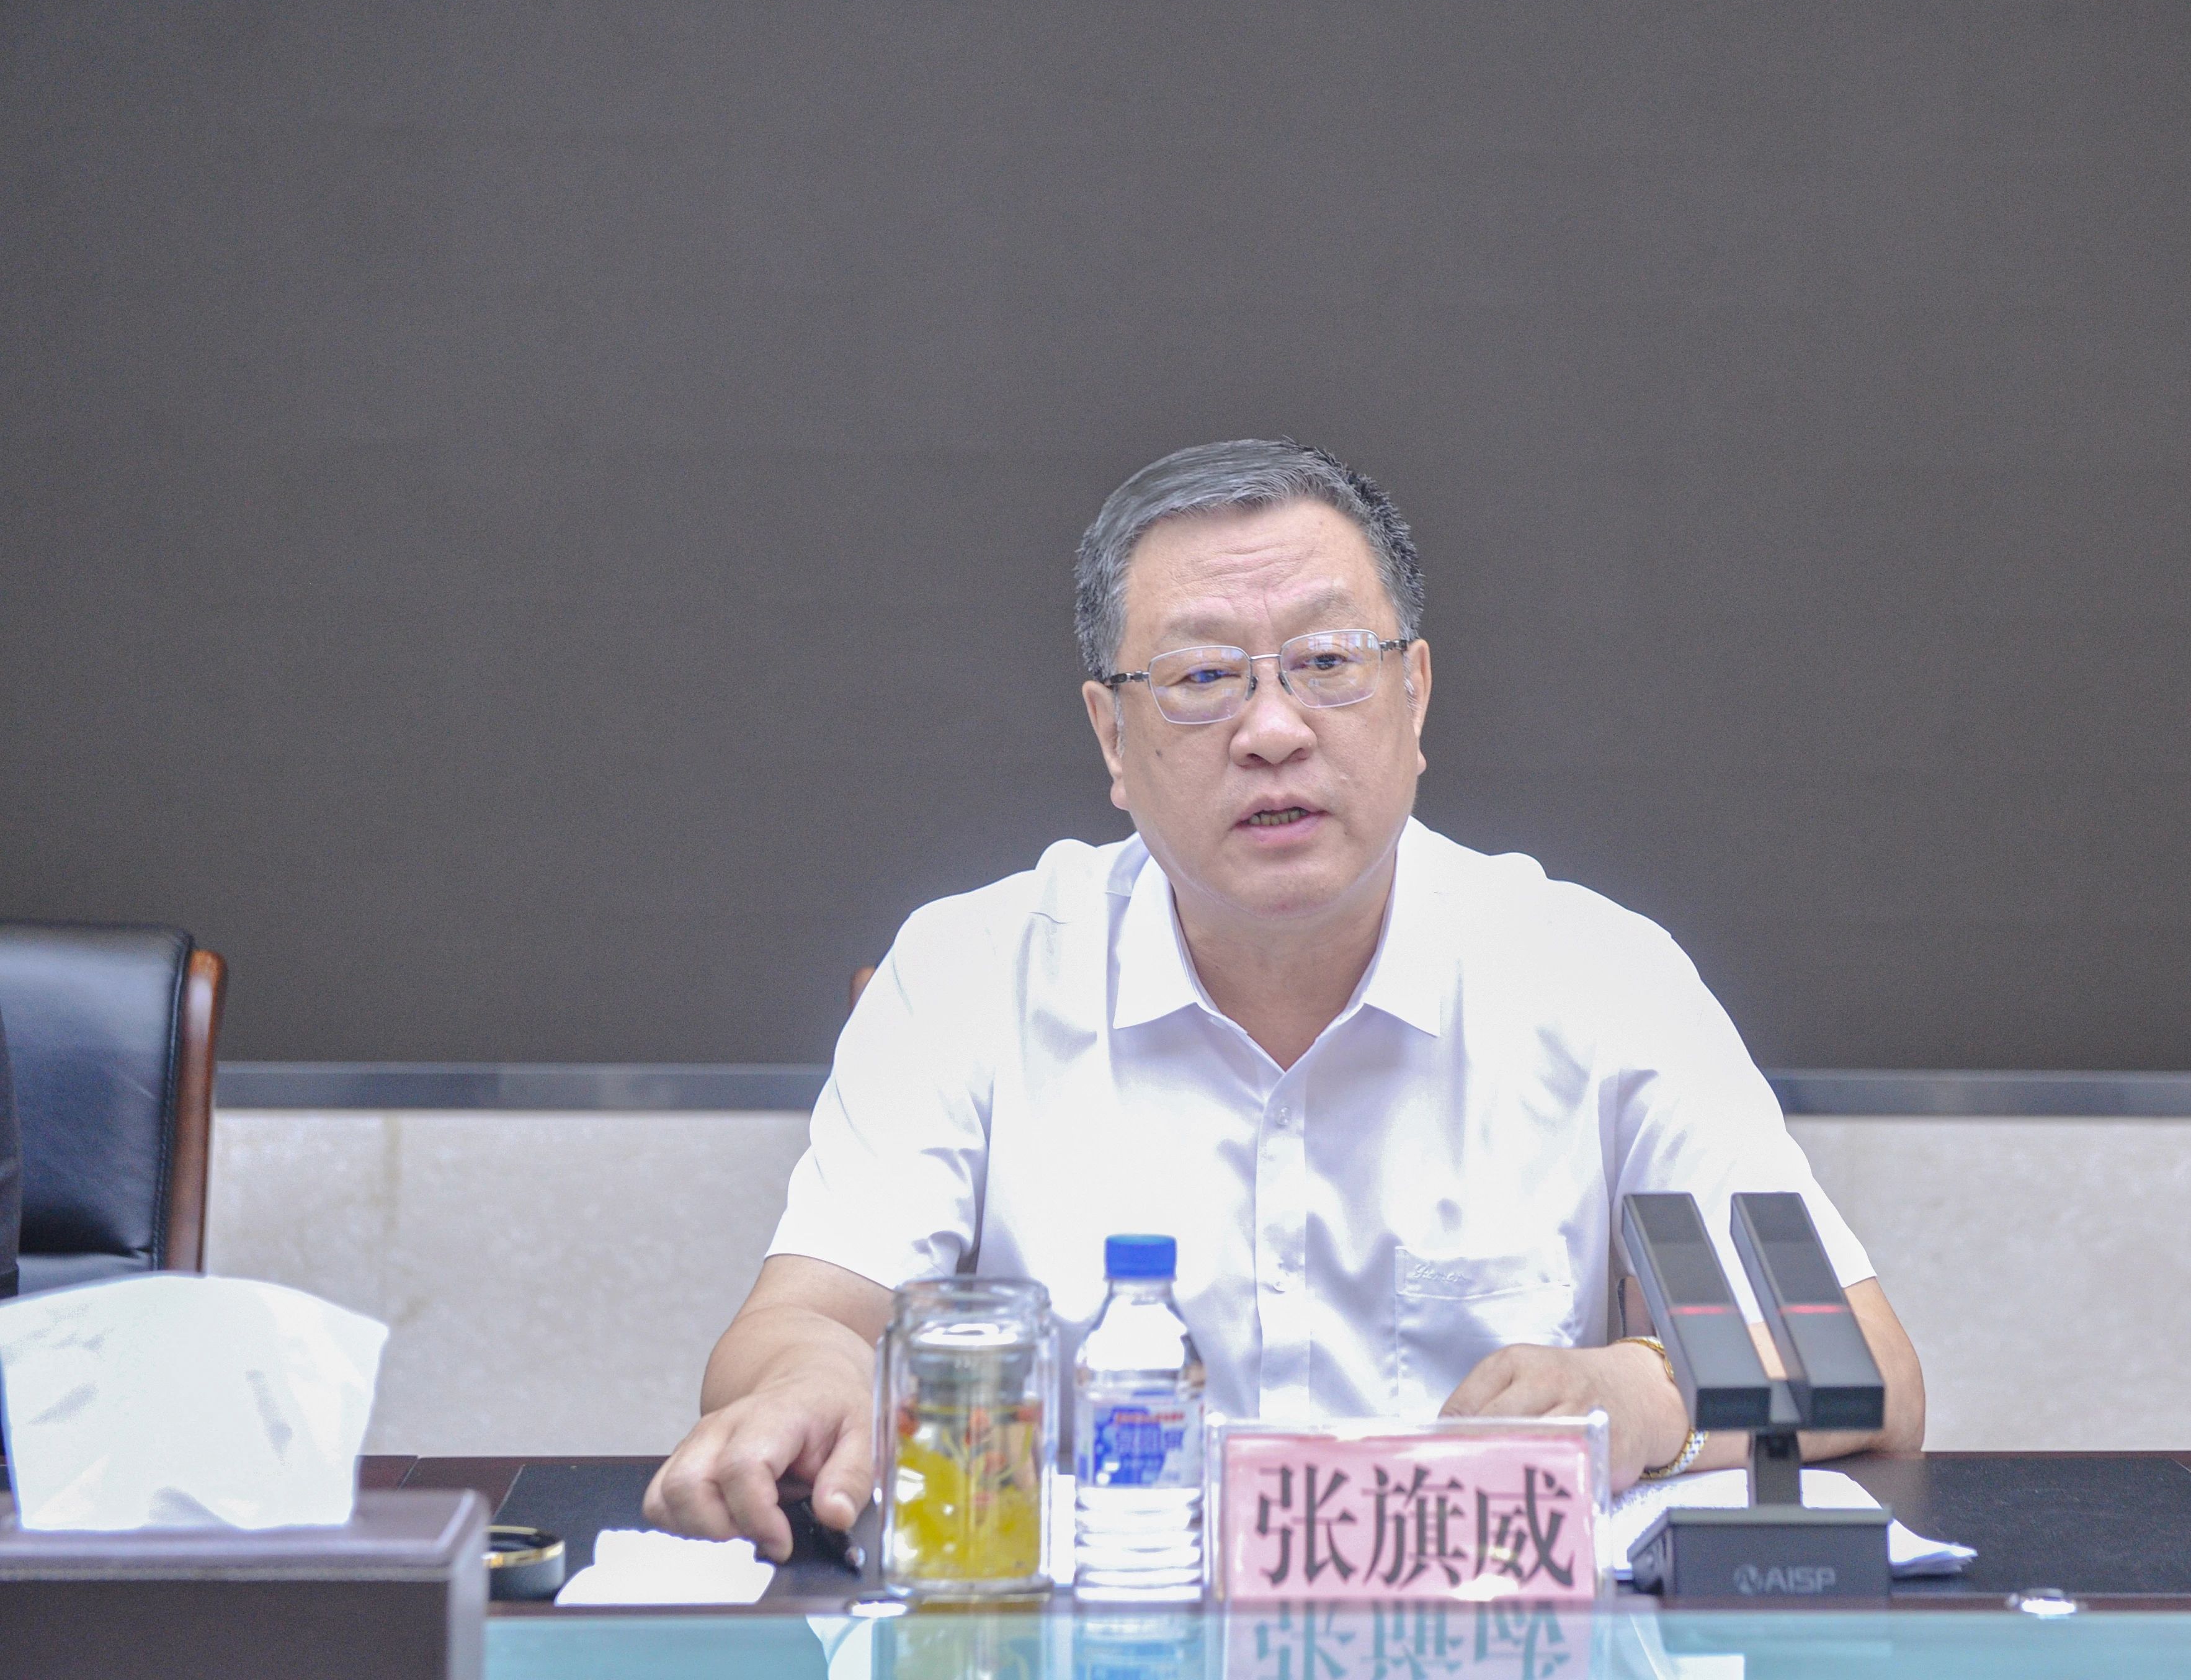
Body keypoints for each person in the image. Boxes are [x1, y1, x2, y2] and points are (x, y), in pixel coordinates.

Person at [646, 440, 1924, 1556]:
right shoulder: (968, 972)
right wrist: (812, 1383)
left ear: (1415, 696)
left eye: (1327, 661)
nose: (1272, 730)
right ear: (1111, 738)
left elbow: (1865, 1368)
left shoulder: (1599, 974)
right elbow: (800, 1322)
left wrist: (1637, 1398)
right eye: (1203, 677)